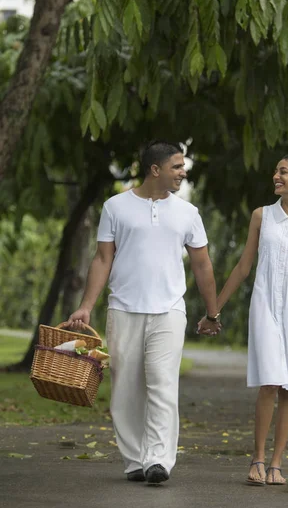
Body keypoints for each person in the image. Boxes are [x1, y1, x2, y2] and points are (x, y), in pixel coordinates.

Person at [67, 141, 220, 485]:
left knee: (163, 384)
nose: (183, 172)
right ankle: (135, 459)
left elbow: (201, 264)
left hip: (169, 310)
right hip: (123, 308)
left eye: (184, 167)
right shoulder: (115, 207)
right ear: (155, 170)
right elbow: (103, 259)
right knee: (125, 388)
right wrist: (86, 306)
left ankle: (158, 461)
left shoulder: (187, 213)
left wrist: (212, 312)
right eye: (177, 166)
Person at [205, 154, 288, 486]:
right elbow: (243, 268)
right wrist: (213, 309)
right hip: (264, 305)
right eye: (277, 171)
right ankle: (258, 457)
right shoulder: (261, 216)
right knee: (269, 381)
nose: (275, 176)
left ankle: (277, 463)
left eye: (283, 171)